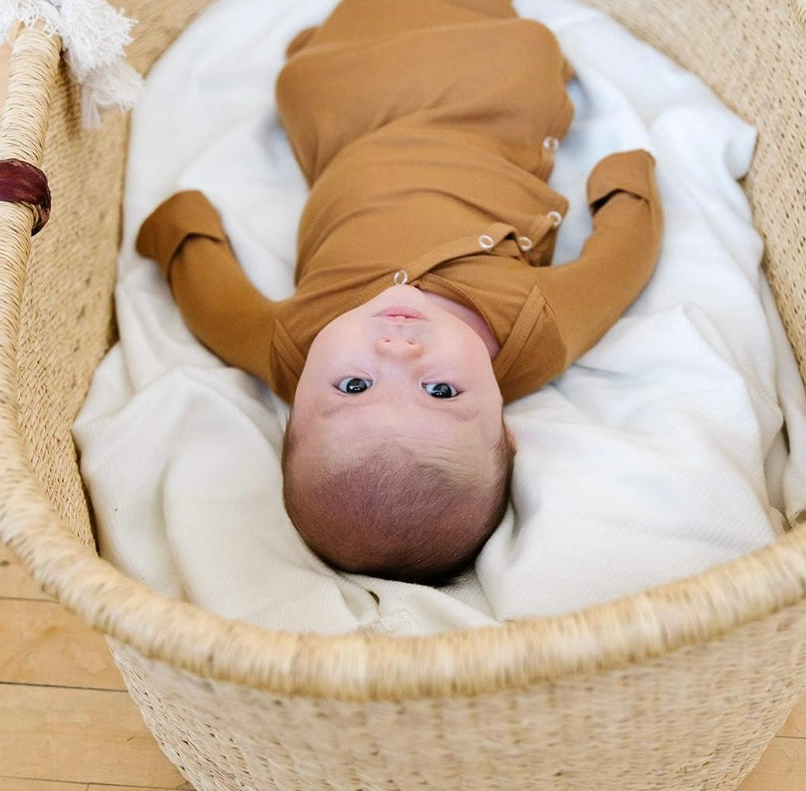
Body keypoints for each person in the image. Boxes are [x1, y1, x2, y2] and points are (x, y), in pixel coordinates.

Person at [135, 0, 663, 583]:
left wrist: (183, 230)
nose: (397, 351)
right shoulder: (540, 328)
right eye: (440, 390)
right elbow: (619, 265)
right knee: (524, 60)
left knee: (306, 83)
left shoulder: (294, 348)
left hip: (344, 118)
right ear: (505, 430)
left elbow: (217, 307)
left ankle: (341, 37)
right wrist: (625, 187)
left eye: (355, 384)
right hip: (483, 108)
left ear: (295, 410)